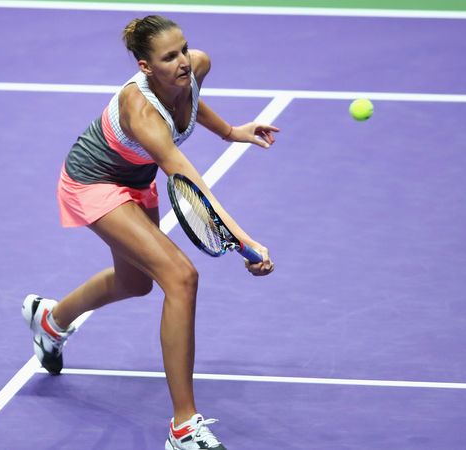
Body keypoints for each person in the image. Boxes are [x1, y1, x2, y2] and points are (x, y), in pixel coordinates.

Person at [22, 15, 277, 450]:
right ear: (145, 67)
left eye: (183, 49)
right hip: (93, 182)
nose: (183, 62)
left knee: (135, 283)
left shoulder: (197, 66)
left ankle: (51, 321)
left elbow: (189, 101)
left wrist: (231, 132)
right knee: (181, 276)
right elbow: (189, 181)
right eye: (169, 57)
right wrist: (244, 241)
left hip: (136, 182)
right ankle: (183, 427)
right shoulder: (140, 111)